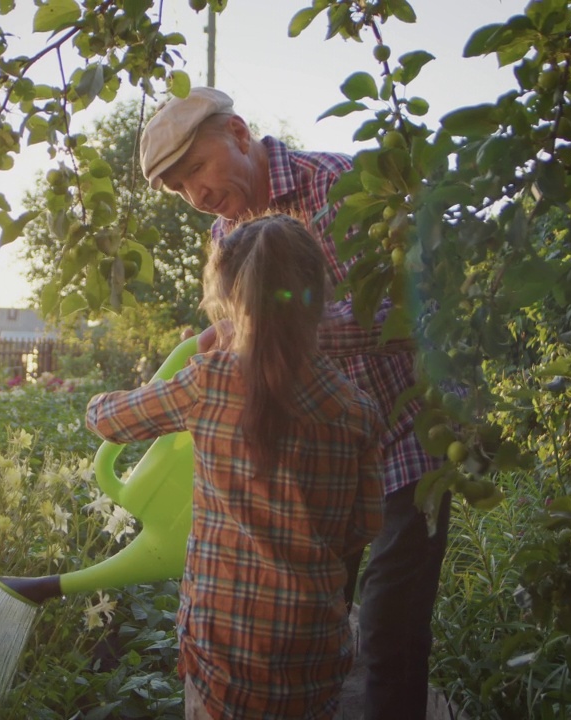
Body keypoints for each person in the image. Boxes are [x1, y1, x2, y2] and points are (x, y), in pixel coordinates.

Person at [139, 87, 450, 720]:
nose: (195, 196)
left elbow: (425, 314)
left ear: (239, 133)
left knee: (391, 633)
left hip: (413, 441)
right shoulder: (228, 237)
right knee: (308, 628)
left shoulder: (341, 185)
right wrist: (215, 348)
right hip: (316, 465)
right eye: (179, 189)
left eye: (196, 168)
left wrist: (279, 330)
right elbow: (245, 351)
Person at [86, 213, 384, 719]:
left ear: (231, 300)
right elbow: (364, 525)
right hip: (313, 654)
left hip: (221, 653)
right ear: (317, 297)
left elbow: (106, 420)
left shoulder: (210, 381)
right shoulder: (357, 410)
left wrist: (192, 359)